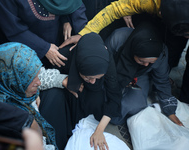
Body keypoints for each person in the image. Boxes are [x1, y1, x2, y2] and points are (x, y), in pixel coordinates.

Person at [59, 0, 189, 104]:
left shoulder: (161, 54)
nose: (145, 64)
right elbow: (113, 10)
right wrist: (85, 34)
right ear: (160, 11)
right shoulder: (148, 3)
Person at [0, 42, 72, 149]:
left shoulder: (6, 80)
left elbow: (39, 74)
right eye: (32, 79)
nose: (39, 82)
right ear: (14, 80)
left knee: (55, 92)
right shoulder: (3, 114)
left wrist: (63, 80)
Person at [105, 21, 183, 127]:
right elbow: (102, 64)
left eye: (151, 63)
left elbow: (162, 80)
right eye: (141, 61)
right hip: (112, 71)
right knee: (102, 97)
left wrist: (170, 111)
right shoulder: (118, 38)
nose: (146, 65)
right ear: (133, 51)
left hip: (140, 76)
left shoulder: (161, 53)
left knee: (134, 106)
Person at [53, 32, 122, 150]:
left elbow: (114, 97)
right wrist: (63, 80)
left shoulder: (106, 61)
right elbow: (41, 75)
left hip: (94, 96)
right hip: (69, 93)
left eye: (98, 78)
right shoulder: (65, 56)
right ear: (78, 66)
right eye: (88, 77)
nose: (93, 81)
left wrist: (99, 130)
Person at [0, 0, 88, 68]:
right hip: (25, 54)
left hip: (58, 42)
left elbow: (72, 3)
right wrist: (45, 48)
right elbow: (13, 29)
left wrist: (82, 34)